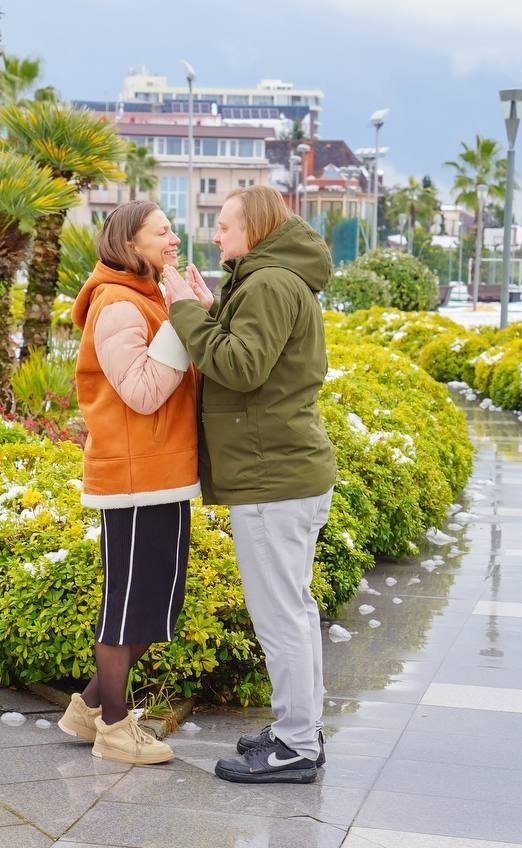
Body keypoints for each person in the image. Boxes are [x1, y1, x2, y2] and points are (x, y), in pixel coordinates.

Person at [163, 185, 336, 784]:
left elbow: (240, 365)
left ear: (255, 230)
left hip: (273, 479)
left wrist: (184, 308)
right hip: (288, 472)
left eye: (225, 225)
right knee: (295, 609)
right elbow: (252, 352)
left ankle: (294, 747)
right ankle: (299, 728)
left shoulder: (266, 283)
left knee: (281, 616)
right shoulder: (279, 279)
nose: (215, 235)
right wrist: (212, 309)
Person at [55, 200, 201, 765]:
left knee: (156, 603)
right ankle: (115, 728)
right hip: (136, 477)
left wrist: (189, 313)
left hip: (161, 474)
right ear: (131, 243)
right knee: (128, 607)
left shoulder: (146, 298)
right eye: (162, 231)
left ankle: (89, 708)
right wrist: (182, 329)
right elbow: (141, 393)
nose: (173, 238)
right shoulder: (116, 304)